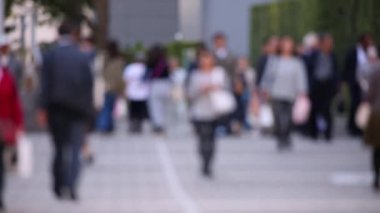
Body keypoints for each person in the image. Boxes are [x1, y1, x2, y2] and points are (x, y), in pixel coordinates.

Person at [38, 20, 93, 201]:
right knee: (76, 149)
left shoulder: (50, 56)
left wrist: (42, 108)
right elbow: (88, 86)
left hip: (56, 109)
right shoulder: (82, 56)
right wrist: (89, 112)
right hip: (77, 110)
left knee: (59, 149)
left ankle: (58, 185)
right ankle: (72, 185)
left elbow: (45, 85)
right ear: (74, 34)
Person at [260, 36, 308, 150]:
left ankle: (286, 136)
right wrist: (265, 89)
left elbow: (301, 77)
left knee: (288, 117)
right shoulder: (274, 60)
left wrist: (302, 90)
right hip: (276, 92)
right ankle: (280, 137)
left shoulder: (297, 62)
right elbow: (268, 76)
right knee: (277, 116)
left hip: (291, 92)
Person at [188, 51, 230, 177]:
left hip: (214, 111)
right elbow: (190, 93)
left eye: (208, 59)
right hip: (199, 111)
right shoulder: (195, 75)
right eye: (203, 59)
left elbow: (227, 89)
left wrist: (216, 88)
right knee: (202, 137)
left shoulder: (218, 74)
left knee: (211, 138)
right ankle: (203, 158)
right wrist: (201, 89)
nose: (205, 61)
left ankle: (209, 162)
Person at [0, 66, 23, 211]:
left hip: (3, 127)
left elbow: (15, 101)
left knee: (0, 163)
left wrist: (19, 124)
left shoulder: (7, 76)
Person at [343, 33, 376, 136]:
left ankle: (363, 125)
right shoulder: (353, 52)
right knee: (355, 103)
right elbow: (347, 67)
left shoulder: (371, 51)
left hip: (370, 82)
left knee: (366, 104)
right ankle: (353, 126)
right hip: (356, 82)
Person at [308, 33, 339, 141]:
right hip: (316, 84)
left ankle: (327, 133)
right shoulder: (314, 55)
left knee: (327, 109)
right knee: (314, 109)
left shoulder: (333, 56)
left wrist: (336, 86)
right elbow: (309, 69)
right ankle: (313, 133)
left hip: (328, 85)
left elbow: (335, 72)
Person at [96, 40, 125, 133]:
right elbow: (120, 76)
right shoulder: (119, 60)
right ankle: (105, 126)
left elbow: (100, 72)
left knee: (106, 107)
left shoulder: (104, 58)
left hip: (105, 85)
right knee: (110, 107)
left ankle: (106, 125)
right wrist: (122, 89)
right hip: (114, 86)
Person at [212, 33, 237, 134]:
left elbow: (234, 71)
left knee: (227, 104)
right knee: (215, 105)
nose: (220, 43)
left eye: (222, 41)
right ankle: (216, 125)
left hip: (226, 82)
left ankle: (226, 125)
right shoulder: (211, 55)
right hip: (214, 83)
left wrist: (235, 82)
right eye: (218, 41)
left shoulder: (230, 55)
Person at [146, 45, 171, 134]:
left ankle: (158, 124)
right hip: (165, 84)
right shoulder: (164, 61)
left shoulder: (151, 61)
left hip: (155, 84)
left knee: (155, 106)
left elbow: (149, 74)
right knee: (164, 107)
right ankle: (163, 123)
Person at [123, 53, 150, 134]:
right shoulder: (145, 68)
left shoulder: (130, 68)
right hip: (142, 93)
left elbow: (126, 80)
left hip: (133, 92)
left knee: (132, 110)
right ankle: (138, 126)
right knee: (140, 111)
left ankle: (133, 126)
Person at [365, 67, 380, 192]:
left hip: (377, 113)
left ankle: (376, 177)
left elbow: (369, 94)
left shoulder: (375, 72)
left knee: (376, 149)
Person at [232, 56, 256, 133]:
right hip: (236, 94)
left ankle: (244, 123)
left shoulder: (250, 72)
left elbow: (251, 84)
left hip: (246, 92)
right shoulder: (235, 71)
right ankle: (237, 123)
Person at [169, 57, 187, 123]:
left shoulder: (181, 71)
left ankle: (181, 118)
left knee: (180, 104)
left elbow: (180, 81)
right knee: (172, 105)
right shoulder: (170, 71)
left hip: (179, 88)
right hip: (172, 89)